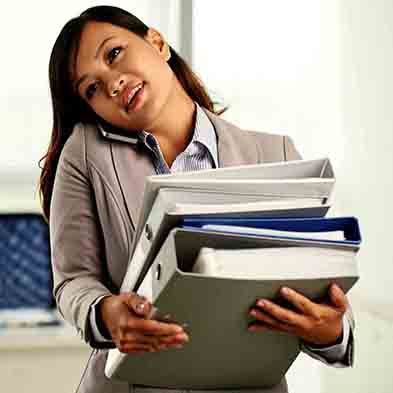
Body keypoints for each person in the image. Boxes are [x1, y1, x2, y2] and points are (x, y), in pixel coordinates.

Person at [38, 5, 354, 393]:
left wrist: (331, 331)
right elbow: (73, 281)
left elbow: (316, 282)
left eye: (114, 53)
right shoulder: (86, 153)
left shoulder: (277, 154)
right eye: (92, 88)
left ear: (157, 42)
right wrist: (106, 314)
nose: (113, 84)